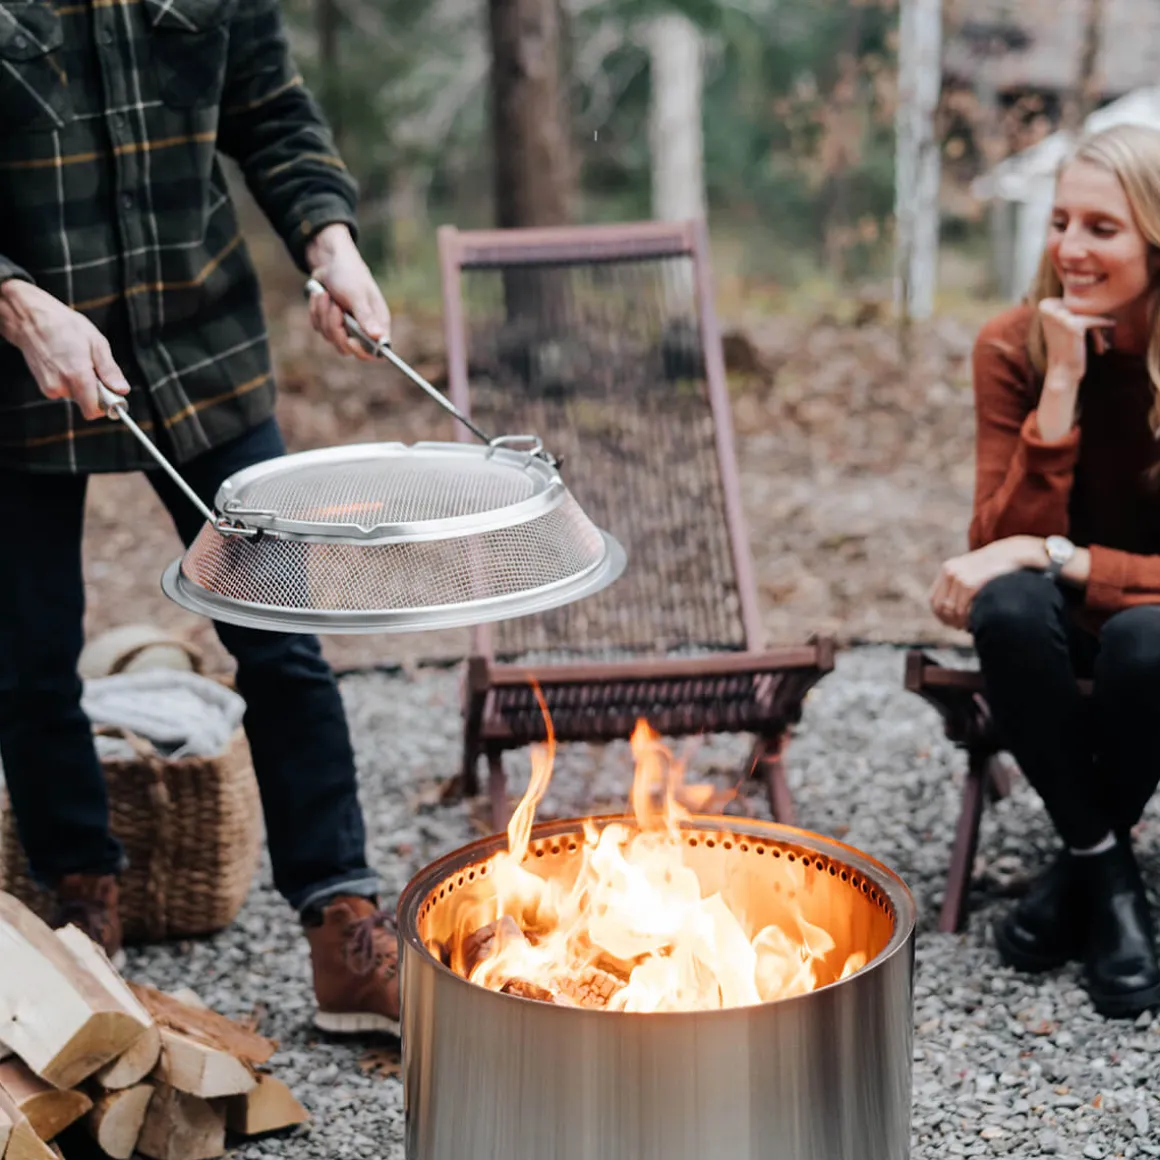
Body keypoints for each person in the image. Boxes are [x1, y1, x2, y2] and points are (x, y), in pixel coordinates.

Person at [0, 0, 400, 1035]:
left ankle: (343, 928)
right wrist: (15, 300)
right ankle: (81, 909)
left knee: (279, 634)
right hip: (20, 364)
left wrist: (330, 240)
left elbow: (269, 108)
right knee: (30, 657)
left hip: (201, 348)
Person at [929, 123, 1160, 1020]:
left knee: (1146, 642)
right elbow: (996, 542)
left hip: (1147, 627)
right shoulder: (1012, 346)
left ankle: (1074, 879)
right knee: (1011, 610)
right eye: (1060, 221)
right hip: (1052, 626)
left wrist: (1050, 554)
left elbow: (1026, 548)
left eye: (1102, 228)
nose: (1069, 247)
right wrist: (1059, 388)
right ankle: (1106, 876)